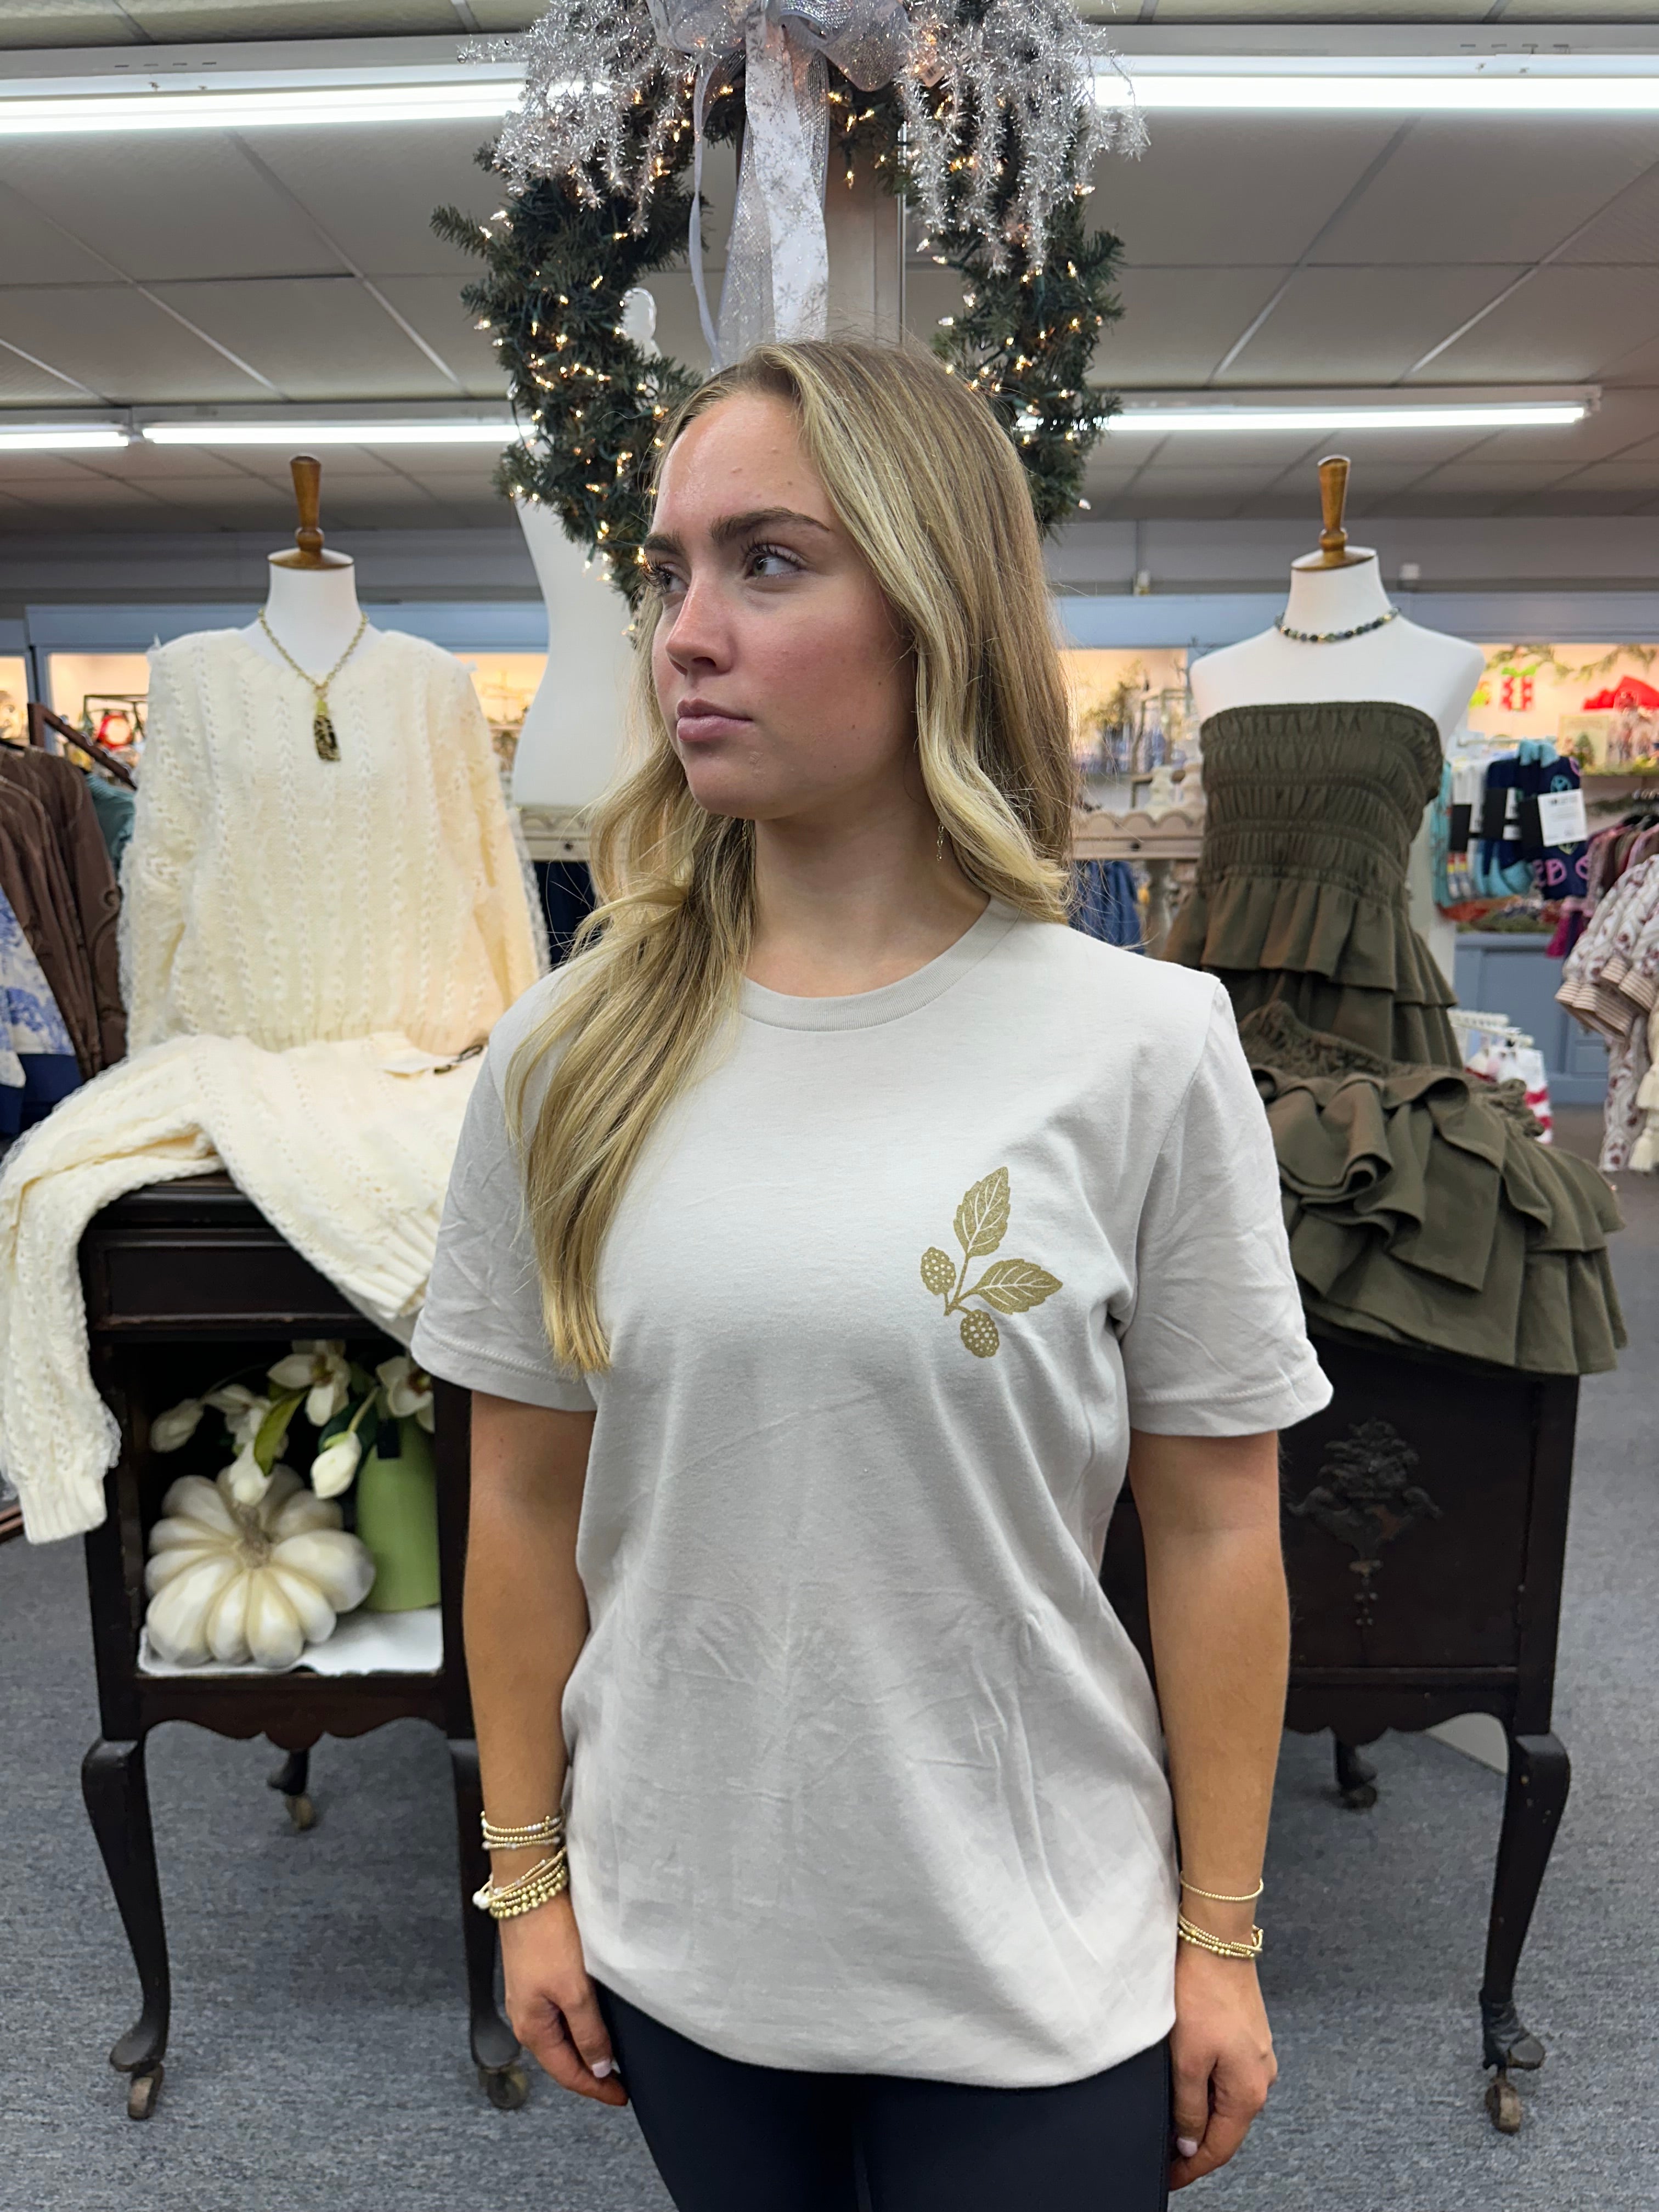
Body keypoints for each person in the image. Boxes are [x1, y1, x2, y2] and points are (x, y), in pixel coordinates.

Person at [410, 338, 1331, 2211]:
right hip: (686, 1940)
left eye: (768, 560)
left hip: (1033, 1946)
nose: (684, 631)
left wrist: (1220, 1934)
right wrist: (526, 1875)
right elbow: (518, 1495)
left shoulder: (1144, 1046)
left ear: (934, 608)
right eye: (669, 570)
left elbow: (1224, 1526)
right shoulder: (567, 1056)